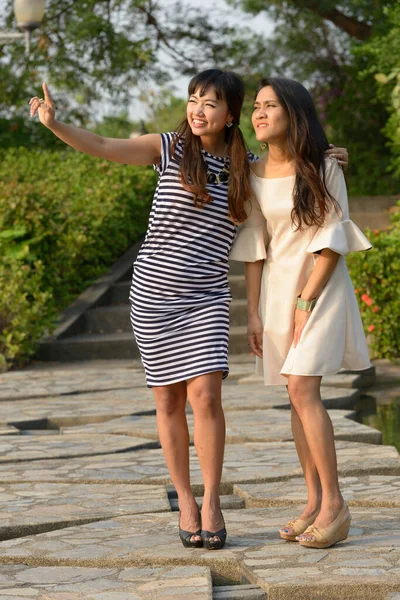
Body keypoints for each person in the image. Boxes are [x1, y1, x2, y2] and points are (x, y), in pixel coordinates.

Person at [29, 70, 348, 551]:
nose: (198, 109)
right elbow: (101, 143)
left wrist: (327, 156)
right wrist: (56, 125)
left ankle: (213, 501)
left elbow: (290, 164)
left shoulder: (247, 163)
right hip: (154, 294)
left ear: (231, 114)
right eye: (193, 99)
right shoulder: (168, 149)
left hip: (207, 297)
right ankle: (185, 501)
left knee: (206, 398)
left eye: (210, 102)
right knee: (168, 402)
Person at [230, 76, 371, 550]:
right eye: (257, 106)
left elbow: (333, 240)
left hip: (319, 287)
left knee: (302, 387)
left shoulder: (324, 166)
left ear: (294, 112)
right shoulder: (250, 172)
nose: (260, 113)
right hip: (276, 289)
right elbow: (253, 245)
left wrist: (305, 301)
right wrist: (253, 313)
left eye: (271, 105)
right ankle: (313, 501)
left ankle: (335, 503)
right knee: (295, 393)